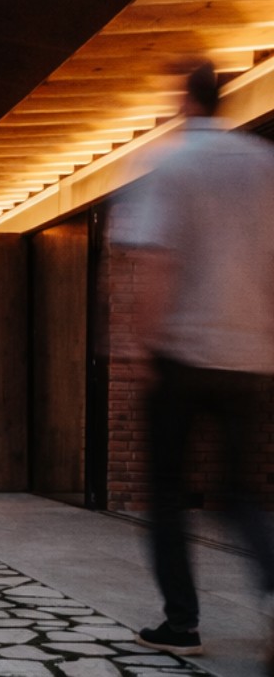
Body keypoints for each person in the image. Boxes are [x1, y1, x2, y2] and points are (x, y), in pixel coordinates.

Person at [122, 59, 274, 664]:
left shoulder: (172, 164)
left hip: (183, 352)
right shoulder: (265, 166)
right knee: (240, 492)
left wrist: (142, 346)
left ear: (185, 100)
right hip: (251, 356)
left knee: (165, 493)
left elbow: (158, 263)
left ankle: (181, 624)